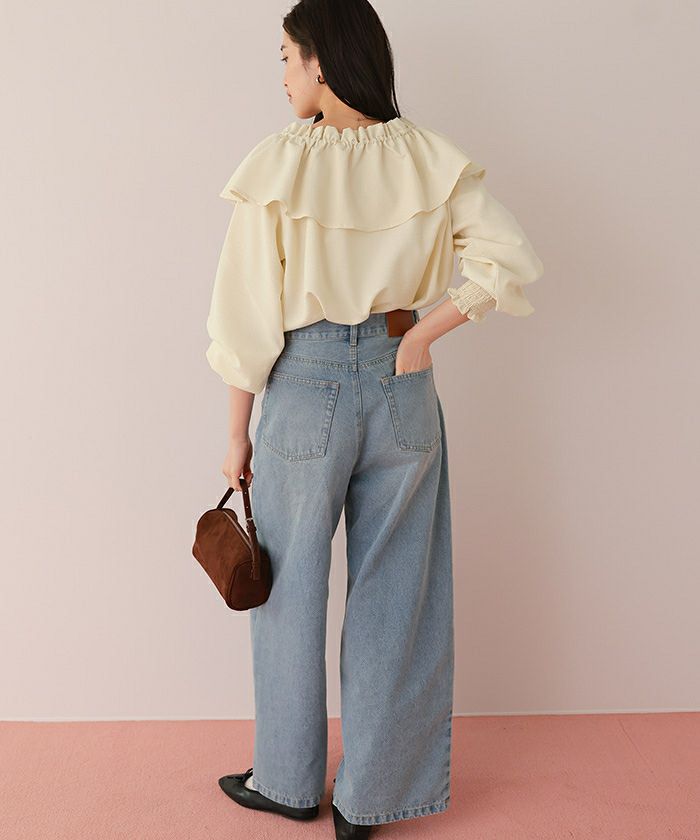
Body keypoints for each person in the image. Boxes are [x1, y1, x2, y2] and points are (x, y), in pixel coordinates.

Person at [207, 1, 544, 837]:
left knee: (285, 590)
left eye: (286, 57)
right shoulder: (429, 156)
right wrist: (423, 333)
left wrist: (235, 435)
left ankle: (288, 781)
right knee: (400, 590)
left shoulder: (279, 162)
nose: (282, 74)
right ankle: (373, 798)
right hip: (404, 384)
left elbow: (245, 316)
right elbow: (508, 257)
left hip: (303, 384)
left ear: (321, 62)